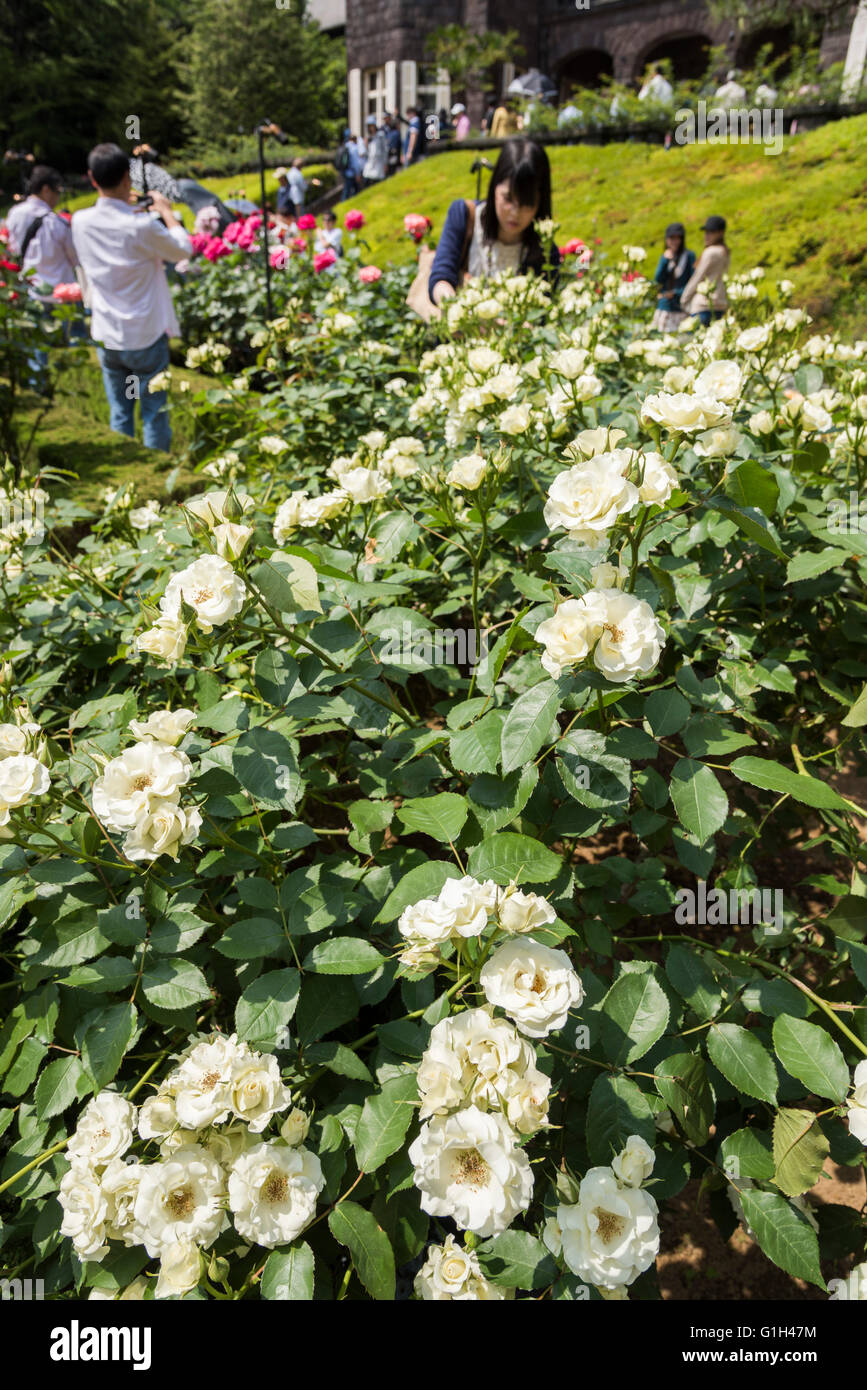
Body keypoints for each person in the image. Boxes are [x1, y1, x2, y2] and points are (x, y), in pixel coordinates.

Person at [71, 142, 190, 452]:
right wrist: (165, 212)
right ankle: (155, 477)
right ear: (128, 177)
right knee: (153, 414)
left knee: (121, 412)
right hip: (145, 333)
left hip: (108, 332)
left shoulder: (80, 221)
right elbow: (182, 249)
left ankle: (127, 475)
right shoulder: (140, 225)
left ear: (92, 178)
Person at [428, 137, 559, 310]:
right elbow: (441, 277)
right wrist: (461, 312)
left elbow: (541, 315)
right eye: (508, 198)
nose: (515, 212)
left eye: (527, 203)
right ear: (494, 188)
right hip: (459, 334)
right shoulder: (463, 215)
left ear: (541, 203)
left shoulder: (546, 253)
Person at [6, 164, 77, 297]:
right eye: (57, 191)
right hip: (60, 295)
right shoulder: (56, 223)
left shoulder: (14, 214)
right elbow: (75, 258)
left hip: (30, 292)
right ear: (46, 190)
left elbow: (13, 250)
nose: (58, 197)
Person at [680, 215, 730, 326]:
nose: (707, 235)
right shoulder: (725, 251)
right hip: (721, 303)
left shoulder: (710, 252)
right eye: (706, 232)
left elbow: (698, 277)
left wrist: (684, 299)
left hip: (703, 304)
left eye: (711, 232)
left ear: (721, 233)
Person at [651, 222, 695, 332]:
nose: (674, 242)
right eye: (671, 238)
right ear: (667, 240)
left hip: (681, 307)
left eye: (677, 238)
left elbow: (693, 281)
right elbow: (657, 280)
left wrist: (676, 293)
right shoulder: (665, 257)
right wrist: (665, 261)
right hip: (665, 307)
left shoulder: (689, 256)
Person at [362, 118, 388, 186]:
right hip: (370, 161)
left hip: (379, 162)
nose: (371, 127)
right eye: (369, 126)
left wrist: (385, 163)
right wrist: (366, 145)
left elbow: (385, 149)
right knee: (367, 180)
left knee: (378, 182)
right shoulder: (368, 137)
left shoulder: (381, 135)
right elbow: (366, 152)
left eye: (372, 125)